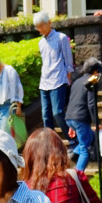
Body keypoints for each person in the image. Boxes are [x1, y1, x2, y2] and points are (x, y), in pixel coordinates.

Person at [33, 11, 74, 142]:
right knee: (46, 115)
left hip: (59, 79)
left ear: (49, 23)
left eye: (42, 26)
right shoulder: (41, 43)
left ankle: (72, 139)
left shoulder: (61, 38)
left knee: (58, 112)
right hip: (44, 82)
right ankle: (49, 143)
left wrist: (68, 77)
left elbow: (68, 60)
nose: (40, 29)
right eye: (37, 27)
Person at [64, 57, 102, 172]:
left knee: (90, 137)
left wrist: (71, 125)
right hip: (80, 118)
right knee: (85, 149)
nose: (99, 75)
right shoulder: (91, 81)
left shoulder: (77, 81)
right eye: (99, 72)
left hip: (70, 116)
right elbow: (91, 104)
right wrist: (97, 123)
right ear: (95, 71)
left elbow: (72, 100)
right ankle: (78, 176)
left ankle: (73, 153)